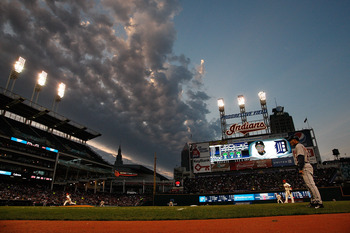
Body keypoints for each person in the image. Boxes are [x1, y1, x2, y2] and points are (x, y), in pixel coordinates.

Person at [289, 136, 324, 209]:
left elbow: (300, 157)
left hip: (305, 165)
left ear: (295, 140)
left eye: (291, 140)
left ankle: (319, 202)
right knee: (309, 186)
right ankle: (314, 201)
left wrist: (300, 168)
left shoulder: (298, 146)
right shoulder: (300, 146)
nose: (290, 142)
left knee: (311, 185)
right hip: (306, 165)